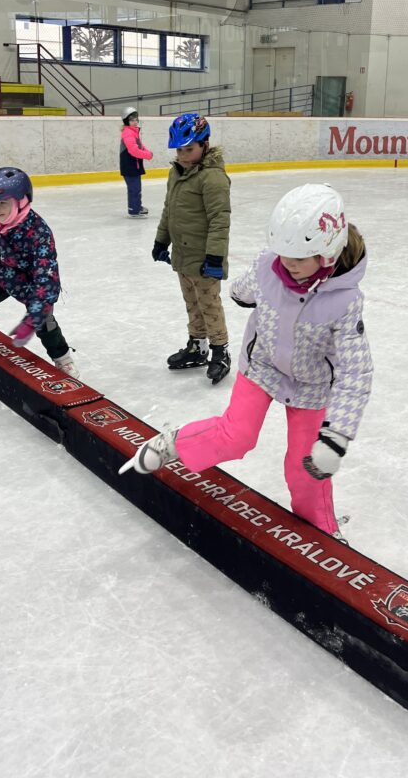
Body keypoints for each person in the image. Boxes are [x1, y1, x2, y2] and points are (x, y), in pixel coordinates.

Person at [123, 183, 374, 539]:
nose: (288, 264)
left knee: (306, 469)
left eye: (299, 257)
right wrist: (244, 293)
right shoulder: (269, 266)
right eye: (283, 253)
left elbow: (355, 372)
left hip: (312, 384)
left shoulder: (345, 301)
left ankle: (321, 531)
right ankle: (174, 444)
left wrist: (335, 436)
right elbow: (243, 290)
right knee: (236, 436)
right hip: (262, 366)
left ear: (328, 252)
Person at [0, 166, 79, 378]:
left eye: (3, 203)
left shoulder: (38, 233)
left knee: (44, 322)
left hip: (35, 282)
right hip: (7, 273)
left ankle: (63, 358)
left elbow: (46, 277)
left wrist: (34, 314)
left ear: (22, 201)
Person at [152, 112, 232, 385]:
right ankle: (198, 347)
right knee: (192, 304)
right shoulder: (176, 173)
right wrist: (161, 240)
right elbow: (169, 210)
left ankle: (220, 351)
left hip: (204, 258)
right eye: (179, 150)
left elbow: (220, 220)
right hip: (182, 255)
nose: (183, 156)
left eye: (189, 149)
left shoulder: (213, 178)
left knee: (210, 305)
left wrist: (215, 257)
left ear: (204, 145)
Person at [119, 106, 153, 218]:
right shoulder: (128, 133)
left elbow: (140, 146)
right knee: (134, 189)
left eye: (136, 119)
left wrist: (147, 152)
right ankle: (134, 210)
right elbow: (133, 151)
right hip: (130, 165)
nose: (135, 122)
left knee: (136, 188)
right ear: (126, 121)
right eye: (131, 120)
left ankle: (136, 207)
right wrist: (147, 155)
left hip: (134, 165)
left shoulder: (133, 132)